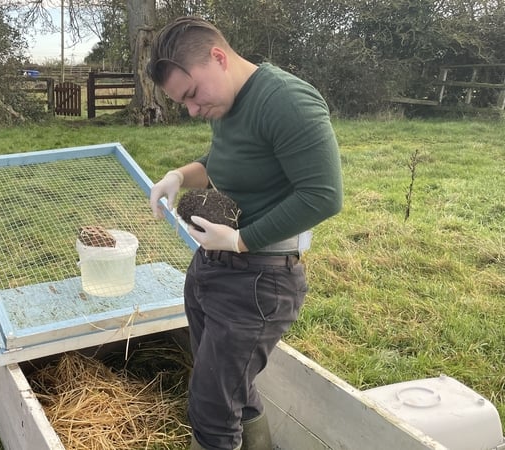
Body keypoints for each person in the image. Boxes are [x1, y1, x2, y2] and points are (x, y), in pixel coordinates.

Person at [147, 17, 343, 450]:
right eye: (182, 102)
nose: (192, 110)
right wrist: (178, 176)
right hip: (215, 268)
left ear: (218, 57)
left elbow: (324, 196)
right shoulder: (227, 102)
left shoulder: (286, 100)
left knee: (211, 409)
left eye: (192, 94)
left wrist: (240, 240)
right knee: (230, 390)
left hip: (259, 280)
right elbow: (221, 161)